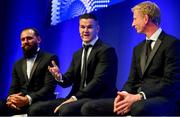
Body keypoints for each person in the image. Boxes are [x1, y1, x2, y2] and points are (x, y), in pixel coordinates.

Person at [81, 1, 180, 116]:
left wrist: (139, 96)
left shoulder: (172, 44)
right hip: (136, 97)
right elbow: (132, 80)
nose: (133, 24)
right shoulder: (138, 49)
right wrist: (122, 94)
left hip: (163, 98)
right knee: (89, 107)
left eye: (135, 19)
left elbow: (171, 82)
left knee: (138, 108)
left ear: (146, 18)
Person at [29, 13, 118, 116]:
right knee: (35, 109)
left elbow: (98, 82)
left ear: (97, 28)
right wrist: (59, 77)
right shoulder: (77, 54)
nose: (85, 31)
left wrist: (74, 98)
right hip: (77, 97)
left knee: (65, 111)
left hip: (97, 98)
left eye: (89, 27)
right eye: (82, 27)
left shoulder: (106, 50)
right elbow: (68, 80)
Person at [0, 28, 58, 116]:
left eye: (29, 38)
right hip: (21, 101)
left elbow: (49, 87)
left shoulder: (50, 58)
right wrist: (10, 99)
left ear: (38, 39)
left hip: (40, 101)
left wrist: (28, 99)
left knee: (34, 110)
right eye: (22, 39)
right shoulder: (17, 64)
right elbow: (13, 87)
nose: (25, 41)